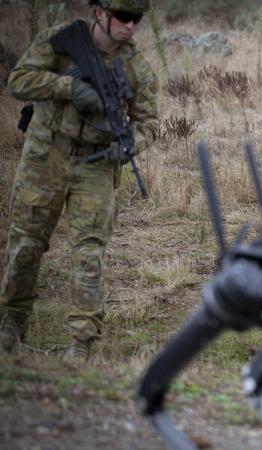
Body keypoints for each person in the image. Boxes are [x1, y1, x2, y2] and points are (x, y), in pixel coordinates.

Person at [0, 0, 159, 360]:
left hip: (96, 163)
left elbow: (150, 121)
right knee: (26, 244)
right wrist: (67, 88)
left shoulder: (135, 67)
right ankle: (12, 324)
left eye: (137, 19)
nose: (131, 26)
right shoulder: (59, 41)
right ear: (100, 13)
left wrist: (131, 144)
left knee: (89, 253)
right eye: (123, 17)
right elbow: (18, 81)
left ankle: (82, 342)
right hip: (46, 156)